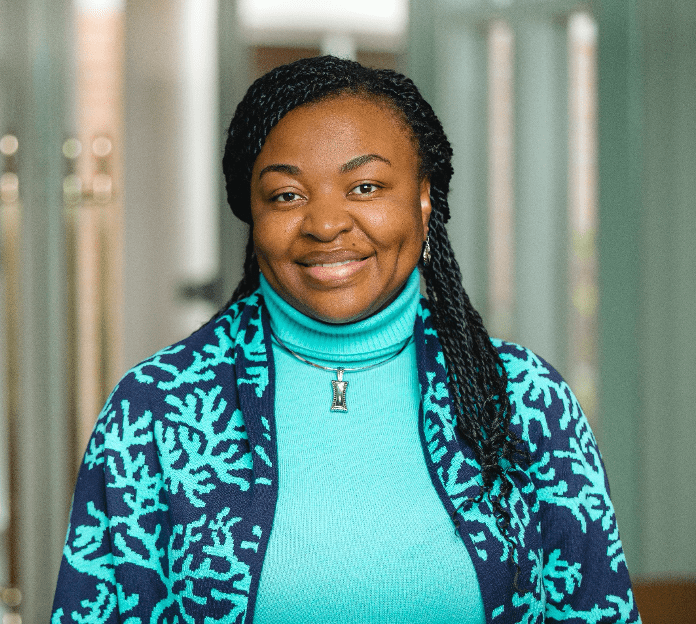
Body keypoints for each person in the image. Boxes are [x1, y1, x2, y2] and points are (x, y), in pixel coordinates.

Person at [52, 56, 640, 623]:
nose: (326, 223)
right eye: (287, 195)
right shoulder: (155, 411)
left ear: (423, 198)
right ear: (251, 214)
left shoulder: (524, 399)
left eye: (364, 187)